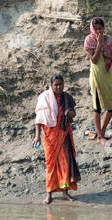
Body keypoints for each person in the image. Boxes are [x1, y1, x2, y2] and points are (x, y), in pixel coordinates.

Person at [33, 73, 81, 204]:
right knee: (51, 165)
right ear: (51, 85)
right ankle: (49, 194)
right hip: (50, 136)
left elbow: (73, 112)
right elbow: (39, 119)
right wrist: (37, 136)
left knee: (65, 163)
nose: (58, 87)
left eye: (61, 84)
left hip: (64, 134)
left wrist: (71, 113)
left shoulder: (67, 97)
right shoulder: (44, 98)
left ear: (63, 84)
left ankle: (65, 192)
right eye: (56, 85)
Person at [83, 17, 112, 141]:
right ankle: (100, 136)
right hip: (97, 77)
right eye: (96, 29)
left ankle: (101, 132)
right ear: (92, 28)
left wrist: (110, 55)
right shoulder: (89, 40)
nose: (98, 31)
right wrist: (99, 44)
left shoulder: (108, 40)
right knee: (97, 108)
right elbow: (94, 59)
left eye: (100, 28)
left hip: (107, 76)